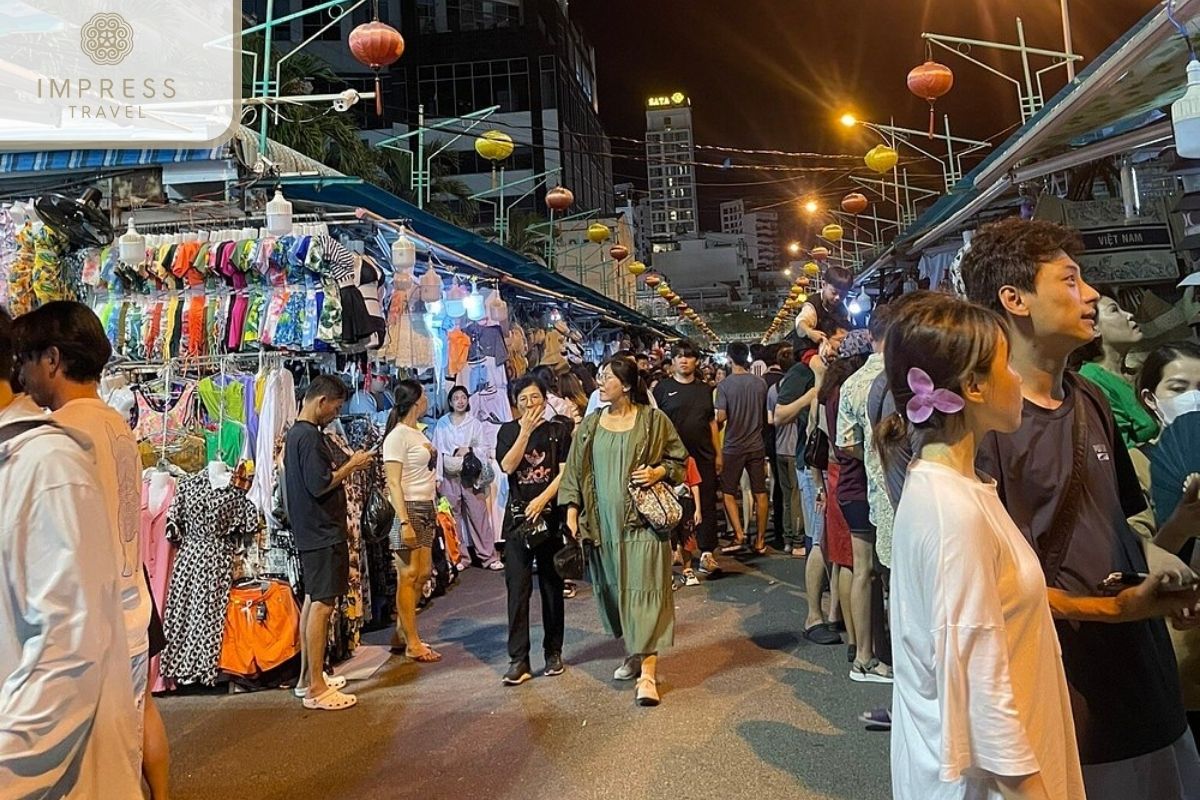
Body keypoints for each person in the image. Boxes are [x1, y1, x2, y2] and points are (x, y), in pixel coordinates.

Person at [963, 217, 1200, 799]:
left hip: (1146, 682)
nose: (1091, 294)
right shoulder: (982, 425)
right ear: (1014, 300)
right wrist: (1116, 609)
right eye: (1070, 281)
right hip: (1066, 697)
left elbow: (1119, 520)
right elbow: (987, 589)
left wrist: (1166, 550)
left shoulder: (1089, 394)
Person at [880, 291, 1087, 800]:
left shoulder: (952, 488)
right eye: (1007, 365)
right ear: (973, 386)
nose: (1017, 378)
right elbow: (979, 688)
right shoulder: (953, 511)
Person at [14, 301, 170, 797]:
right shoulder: (114, 423)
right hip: (132, 601)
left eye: (27, 359)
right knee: (131, 733)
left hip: (99, 618)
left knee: (98, 768)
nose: (21, 374)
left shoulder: (60, 434)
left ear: (53, 360)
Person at [560, 357, 688, 707]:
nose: (600, 383)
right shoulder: (591, 425)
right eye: (600, 378)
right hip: (605, 528)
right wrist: (572, 510)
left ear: (627, 385)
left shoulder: (652, 421)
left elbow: (679, 459)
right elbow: (575, 469)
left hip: (643, 525)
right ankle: (634, 653)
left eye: (607, 378)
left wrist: (658, 472)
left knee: (646, 591)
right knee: (618, 593)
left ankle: (648, 673)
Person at [284, 375, 373, 710]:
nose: (336, 414)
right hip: (322, 532)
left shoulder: (298, 435)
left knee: (313, 602)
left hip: (313, 531)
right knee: (322, 606)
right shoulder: (307, 437)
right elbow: (320, 484)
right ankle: (316, 688)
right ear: (321, 401)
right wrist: (352, 464)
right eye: (335, 408)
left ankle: (309, 678)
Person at [1136, 342, 1200, 749]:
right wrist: (1178, 526)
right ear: (1151, 399)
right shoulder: (1136, 464)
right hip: (1171, 656)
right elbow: (1126, 554)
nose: (1193, 398)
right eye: (1178, 387)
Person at [496, 376, 572, 685]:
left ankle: (553, 652)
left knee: (552, 588)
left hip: (549, 518)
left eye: (535, 398)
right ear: (516, 403)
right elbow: (507, 466)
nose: (530, 405)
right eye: (524, 400)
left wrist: (542, 499)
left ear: (546, 400)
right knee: (518, 590)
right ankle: (519, 659)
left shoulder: (559, 432)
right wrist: (524, 432)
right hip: (517, 522)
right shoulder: (507, 431)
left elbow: (565, 474)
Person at [836, 312, 892, 684]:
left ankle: (864, 654)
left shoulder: (852, 384)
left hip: (868, 491)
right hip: (906, 496)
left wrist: (873, 459)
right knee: (899, 581)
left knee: (863, 570)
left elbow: (847, 443)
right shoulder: (912, 378)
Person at [773, 339, 837, 644]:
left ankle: (836, 612)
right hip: (813, 465)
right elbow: (779, 416)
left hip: (839, 469)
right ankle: (814, 616)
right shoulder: (802, 374)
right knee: (820, 539)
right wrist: (814, 393)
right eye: (834, 337)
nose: (837, 343)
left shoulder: (845, 368)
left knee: (837, 544)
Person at [382, 380, 443, 665]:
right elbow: (392, 483)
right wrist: (404, 521)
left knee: (423, 573)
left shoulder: (416, 432)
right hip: (407, 508)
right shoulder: (397, 436)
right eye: (425, 394)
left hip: (426, 506)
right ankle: (412, 642)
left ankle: (402, 631)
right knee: (408, 574)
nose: (428, 397)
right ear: (417, 400)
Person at [654, 340, 723, 576]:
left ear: (696, 361)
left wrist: (718, 454)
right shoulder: (662, 389)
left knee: (705, 503)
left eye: (689, 356)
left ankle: (706, 552)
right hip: (672, 460)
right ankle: (676, 549)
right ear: (672, 361)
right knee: (673, 503)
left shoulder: (706, 390)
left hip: (703, 456)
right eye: (679, 356)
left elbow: (712, 423)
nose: (684, 360)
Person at [1076, 291, 1158, 449]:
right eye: (1114, 310)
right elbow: (1123, 451)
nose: (1129, 315)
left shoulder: (1138, 371)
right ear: (1093, 328)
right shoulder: (1091, 380)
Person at [431, 385, 499, 571]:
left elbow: (483, 448)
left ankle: (488, 556)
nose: (460, 401)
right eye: (456, 398)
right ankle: (458, 557)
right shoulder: (442, 424)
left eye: (463, 397)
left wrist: (469, 449)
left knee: (479, 515)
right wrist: (437, 477)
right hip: (449, 474)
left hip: (470, 474)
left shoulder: (475, 423)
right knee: (452, 518)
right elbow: (437, 451)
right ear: (451, 402)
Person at [716, 342, 770, 553]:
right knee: (760, 492)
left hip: (733, 446)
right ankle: (760, 540)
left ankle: (738, 534)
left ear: (729, 358)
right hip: (757, 444)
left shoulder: (724, 386)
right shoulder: (760, 384)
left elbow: (721, 416)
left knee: (728, 491)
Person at [766, 344, 802, 556]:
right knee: (796, 497)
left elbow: (770, 419)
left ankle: (787, 539)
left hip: (779, 448)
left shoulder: (773, 389)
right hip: (795, 447)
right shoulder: (802, 386)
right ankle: (798, 541)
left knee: (787, 497)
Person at [792, 265, 852, 354]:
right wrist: (810, 332)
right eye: (834, 292)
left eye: (843, 295)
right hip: (809, 350)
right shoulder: (812, 304)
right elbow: (801, 322)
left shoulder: (843, 309)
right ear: (824, 285)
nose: (837, 298)